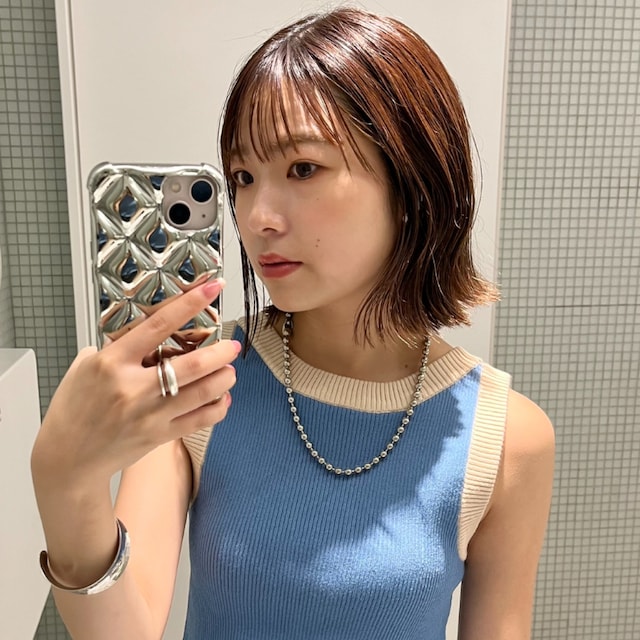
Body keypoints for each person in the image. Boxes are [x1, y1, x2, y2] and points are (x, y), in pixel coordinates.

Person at [31, 7, 554, 640]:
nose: (257, 217)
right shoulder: (200, 378)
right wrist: (65, 482)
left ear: (412, 183)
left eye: (303, 168)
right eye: (242, 178)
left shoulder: (506, 437)